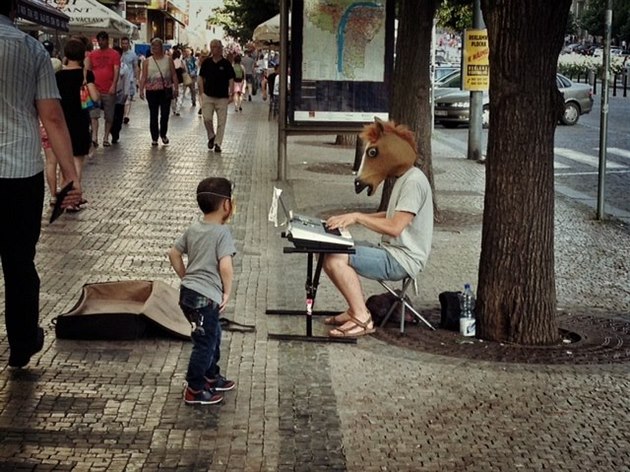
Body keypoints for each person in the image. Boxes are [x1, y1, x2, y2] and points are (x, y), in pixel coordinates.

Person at [0, 0, 82, 368]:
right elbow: (52, 115)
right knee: (19, 260)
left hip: (21, 169)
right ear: (14, 8)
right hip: (19, 172)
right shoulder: (30, 49)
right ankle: (21, 342)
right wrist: (71, 177)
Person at [321, 120, 433, 338]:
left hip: (402, 259)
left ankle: (362, 316)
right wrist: (351, 218)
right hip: (391, 252)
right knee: (326, 249)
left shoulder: (413, 182)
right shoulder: (405, 178)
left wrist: (357, 217)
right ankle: (355, 309)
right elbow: (392, 215)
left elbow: (394, 226)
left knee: (335, 257)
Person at [168, 177, 237, 405]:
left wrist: (186, 277)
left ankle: (211, 375)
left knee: (213, 333)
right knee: (205, 342)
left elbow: (174, 254)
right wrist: (227, 292)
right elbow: (225, 266)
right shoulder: (222, 233)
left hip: (188, 293)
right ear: (226, 205)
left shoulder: (194, 228)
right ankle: (195, 388)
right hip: (206, 298)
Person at [55, 39, 98, 211]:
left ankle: (63, 197)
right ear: (83, 55)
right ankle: (73, 201)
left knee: (63, 163)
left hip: (61, 123)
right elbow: (95, 98)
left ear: (66, 55)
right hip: (80, 122)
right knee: (77, 163)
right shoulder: (86, 75)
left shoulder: (57, 76)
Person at [138, 37, 178, 146]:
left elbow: (174, 74)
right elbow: (144, 77)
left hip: (165, 90)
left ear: (162, 47)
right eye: (153, 46)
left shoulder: (168, 59)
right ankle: (154, 137)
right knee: (153, 114)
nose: (155, 48)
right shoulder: (147, 62)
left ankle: (163, 134)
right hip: (152, 91)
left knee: (165, 114)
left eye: (157, 46)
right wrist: (141, 90)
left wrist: (176, 87)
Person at [198, 39, 235, 153]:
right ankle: (211, 135)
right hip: (208, 96)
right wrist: (202, 92)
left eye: (218, 47)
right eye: (213, 47)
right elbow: (200, 78)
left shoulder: (226, 64)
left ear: (221, 48)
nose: (216, 49)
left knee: (221, 122)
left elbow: (231, 79)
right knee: (207, 118)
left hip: (222, 97)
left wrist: (231, 93)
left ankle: (218, 143)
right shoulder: (206, 63)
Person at [85, 31, 119, 147]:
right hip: (95, 88)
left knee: (109, 115)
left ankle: (105, 137)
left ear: (107, 40)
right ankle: (94, 136)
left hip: (108, 88)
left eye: (103, 39)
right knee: (94, 114)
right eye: (99, 40)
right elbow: (88, 70)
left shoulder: (114, 54)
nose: (100, 42)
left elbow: (116, 70)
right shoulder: (92, 55)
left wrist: (114, 84)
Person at [110, 46, 131, 145]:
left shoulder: (124, 67)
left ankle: (116, 132)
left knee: (118, 115)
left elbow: (126, 81)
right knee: (110, 115)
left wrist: (126, 93)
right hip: (109, 94)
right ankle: (111, 129)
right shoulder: (108, 65)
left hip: (120, 94)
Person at [120, 37, 139, 125]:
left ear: (128, 44)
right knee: (121, 97)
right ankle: (123, 113)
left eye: (125, 43)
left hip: (130, 79)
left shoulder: (133, 54)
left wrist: (136, 78)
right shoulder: (118, 53)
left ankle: (126, 115)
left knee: (128, 97)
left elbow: (135, 66)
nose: (124, 45)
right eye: (122, 43)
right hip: (119, 79)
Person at [171, 48, 184, 116]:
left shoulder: (171, 62)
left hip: (172, 81)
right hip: (180, 81)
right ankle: (178, 110)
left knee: (173, 96)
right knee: (180, 95)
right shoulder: (181, 62)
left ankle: (173, 109)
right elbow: (185, 70)